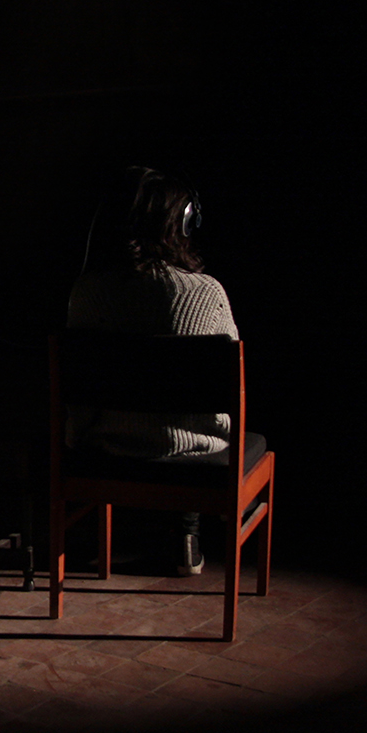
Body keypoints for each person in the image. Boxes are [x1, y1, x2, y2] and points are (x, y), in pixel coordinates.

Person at [66, 166, 239, 576]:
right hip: (195, 448)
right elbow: (231, 385)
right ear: (184, 223)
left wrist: (80, 436)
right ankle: (186, 534)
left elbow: (78, 393)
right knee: (190, 430)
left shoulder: (87, 291)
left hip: (112, 444)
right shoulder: (208, 293)